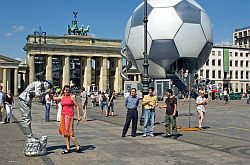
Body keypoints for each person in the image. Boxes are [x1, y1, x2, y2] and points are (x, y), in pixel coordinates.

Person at [53, 85, 81, 154]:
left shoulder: (72, 97)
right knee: (65, 133)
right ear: (63, 90)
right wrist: (49, 91)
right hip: (63, 115)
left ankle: (77, 146)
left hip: (69, 116)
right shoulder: (62, 97)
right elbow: (53, 98)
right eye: (65, 90)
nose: (67, 91)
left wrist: (78, 116)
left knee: (70, 133)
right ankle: (68, 148)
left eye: (68, 90)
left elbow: (77, 106)